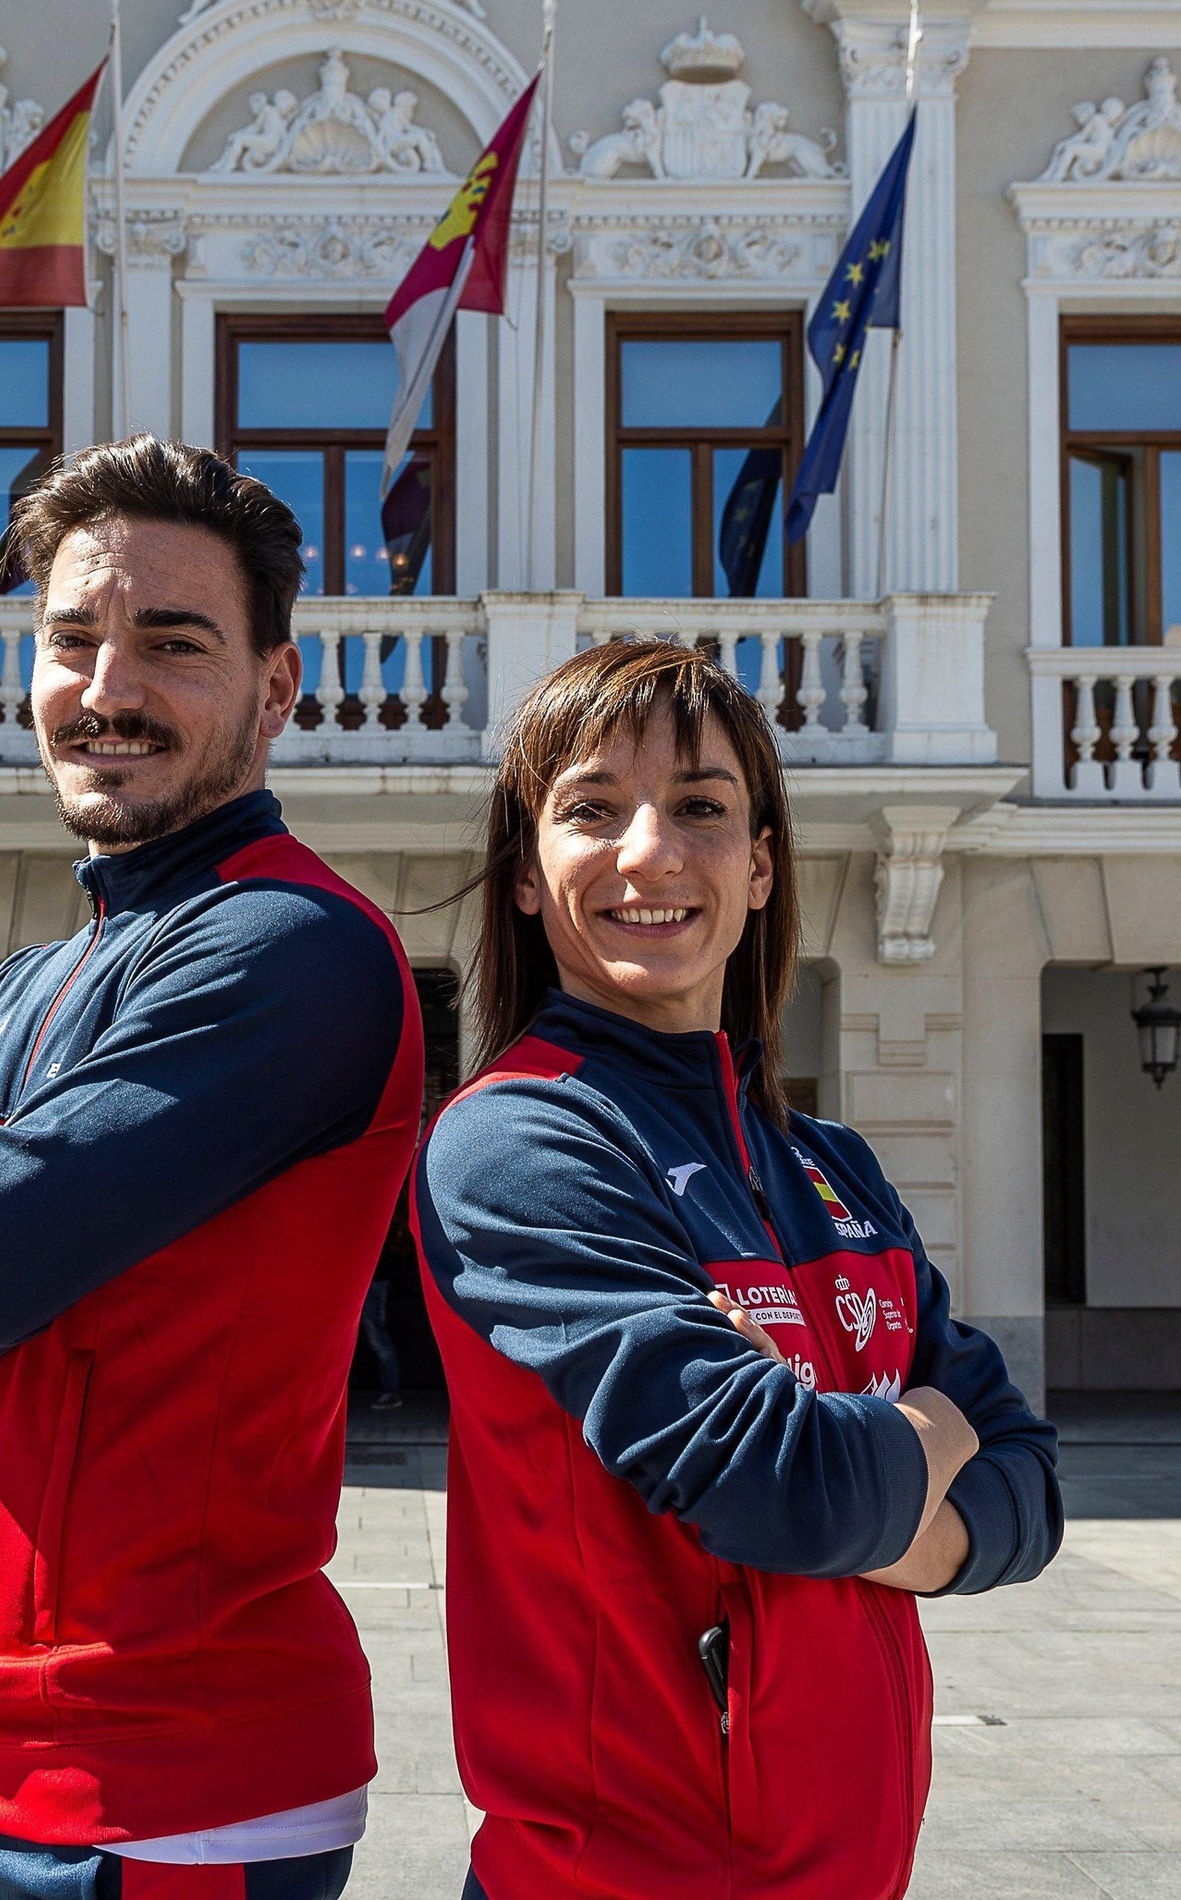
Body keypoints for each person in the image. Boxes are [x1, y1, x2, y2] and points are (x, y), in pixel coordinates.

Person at [0, 437, 423, 1900]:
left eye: (173, 642)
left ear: (276, 688)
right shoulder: (40, 974)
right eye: (73, 638)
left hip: (177, 1779)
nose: (107, 687)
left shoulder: (291, 949)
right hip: (18, 1748)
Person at [413, 639, 1061, 1900]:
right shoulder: (518, 1140)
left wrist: (884, 1515)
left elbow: (1030, 1477)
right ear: (529, 875)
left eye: (700, 807)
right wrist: (929, 1429)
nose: (649, 852)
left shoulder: (830, 1164)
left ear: (760, 866)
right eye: (591, 810)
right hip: (623, 1875)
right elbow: (794, 1490)